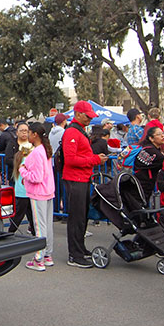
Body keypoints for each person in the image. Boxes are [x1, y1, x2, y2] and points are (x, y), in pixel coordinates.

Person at [62, 101, 108, 268]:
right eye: (87, 116)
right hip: (76, 179)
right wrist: (95, 159)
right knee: (76, 218)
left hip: (81, 178)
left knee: (81, 217)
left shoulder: (77, 131)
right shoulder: (72, 132)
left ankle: (79, 249)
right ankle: (75, 254)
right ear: (78, 114)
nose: (90, 119)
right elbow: (71, 159)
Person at [19, 122, 56, 270]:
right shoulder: (45, 150)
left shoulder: (36, 152)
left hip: (38, 192)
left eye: (29, 132)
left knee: (40, 226)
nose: (27, 135)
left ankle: (39, 258)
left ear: (35, 134)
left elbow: (36, 177)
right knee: (47, 225)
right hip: (47, 191)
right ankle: (47, 255)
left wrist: (23, 171)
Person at [133, 126, 164, 203]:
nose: (163, 136)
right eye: (158, 134)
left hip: (137, 182)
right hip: (143, 185)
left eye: (163, 133)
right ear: (151, 138)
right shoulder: (153, 153)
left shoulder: (147, 148)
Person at [9, 145, 34, 235]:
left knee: (27, 214)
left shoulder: (19, 159)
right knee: (22, 215)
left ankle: (34, 231)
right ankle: (11, 231)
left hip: (21, 191)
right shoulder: (27, 161)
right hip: (25, 191)